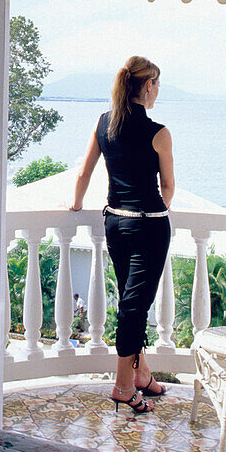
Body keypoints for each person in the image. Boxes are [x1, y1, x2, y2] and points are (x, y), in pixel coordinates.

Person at [69, 55, 175, 414]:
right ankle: (123, 386)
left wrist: (76, 204)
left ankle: (142, 374)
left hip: (115, 223)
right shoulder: (158, 133)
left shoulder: (104, 124)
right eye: (157, 84)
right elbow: (168, 187)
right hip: (148, 225)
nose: (158, 90)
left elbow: (83, 174)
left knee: (133, 300)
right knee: (134, 305)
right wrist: (162, 207)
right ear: (147, 86)